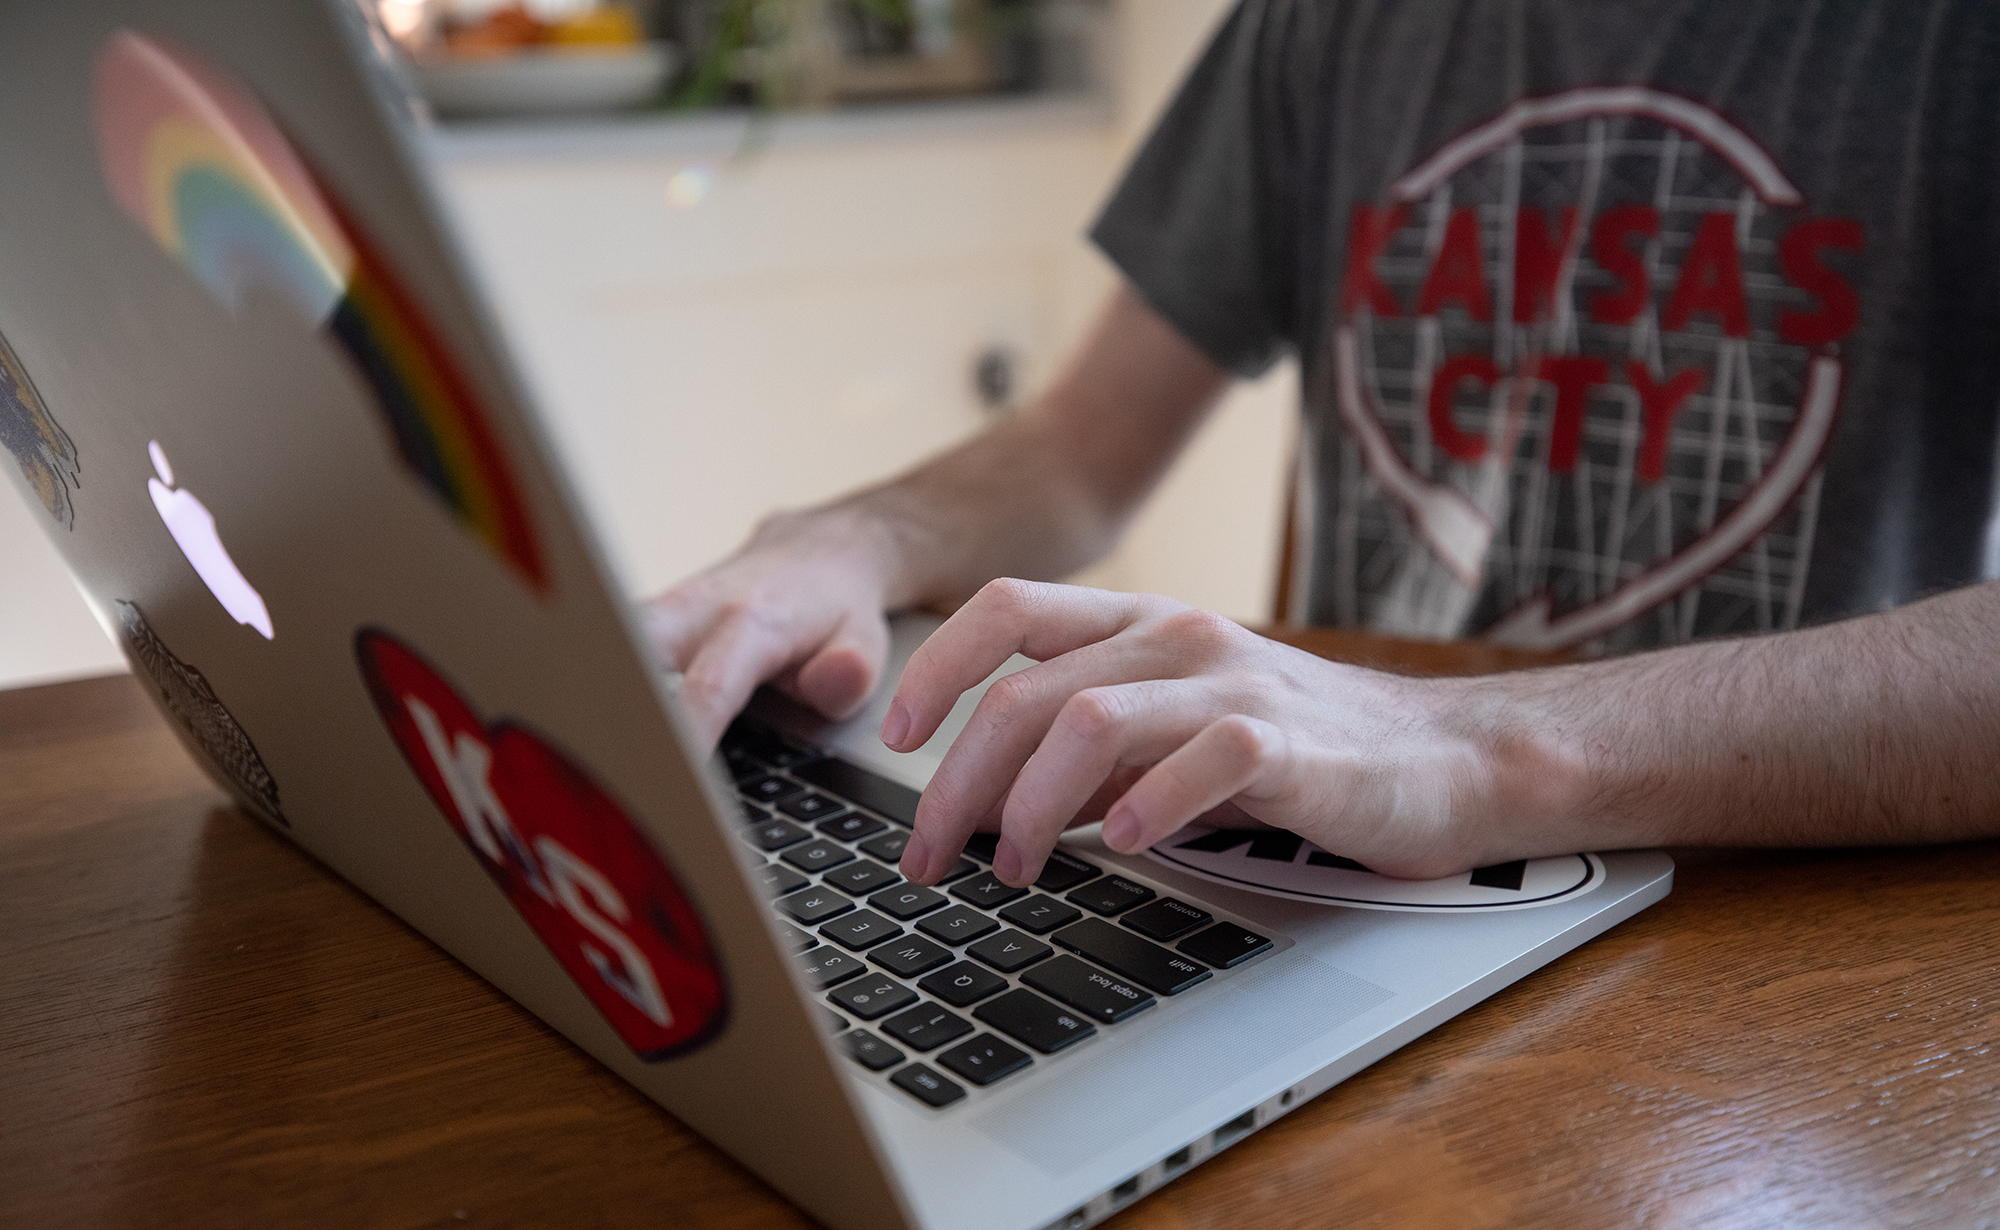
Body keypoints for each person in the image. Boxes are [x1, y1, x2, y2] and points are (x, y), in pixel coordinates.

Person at [644, 0, 2000, 890]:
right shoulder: (1324, 24)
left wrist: (1479, 746)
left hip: (1791, 906)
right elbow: (1079, 447)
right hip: (1355, 873)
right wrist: (863, 532)